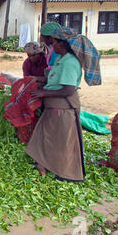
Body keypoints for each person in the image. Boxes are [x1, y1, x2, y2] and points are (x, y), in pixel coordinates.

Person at [26, 26, 86, 182]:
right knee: (44, 135)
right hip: (54, 106)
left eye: (54, 43)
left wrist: (43, 93)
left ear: (62, 44)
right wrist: (38, 80)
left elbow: (68, 90)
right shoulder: (60, 59)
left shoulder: (70, 63)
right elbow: (53, 79)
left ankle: (65, 171)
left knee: (62, 140)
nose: (52, 45)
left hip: (64, 107)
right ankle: (43, 164)